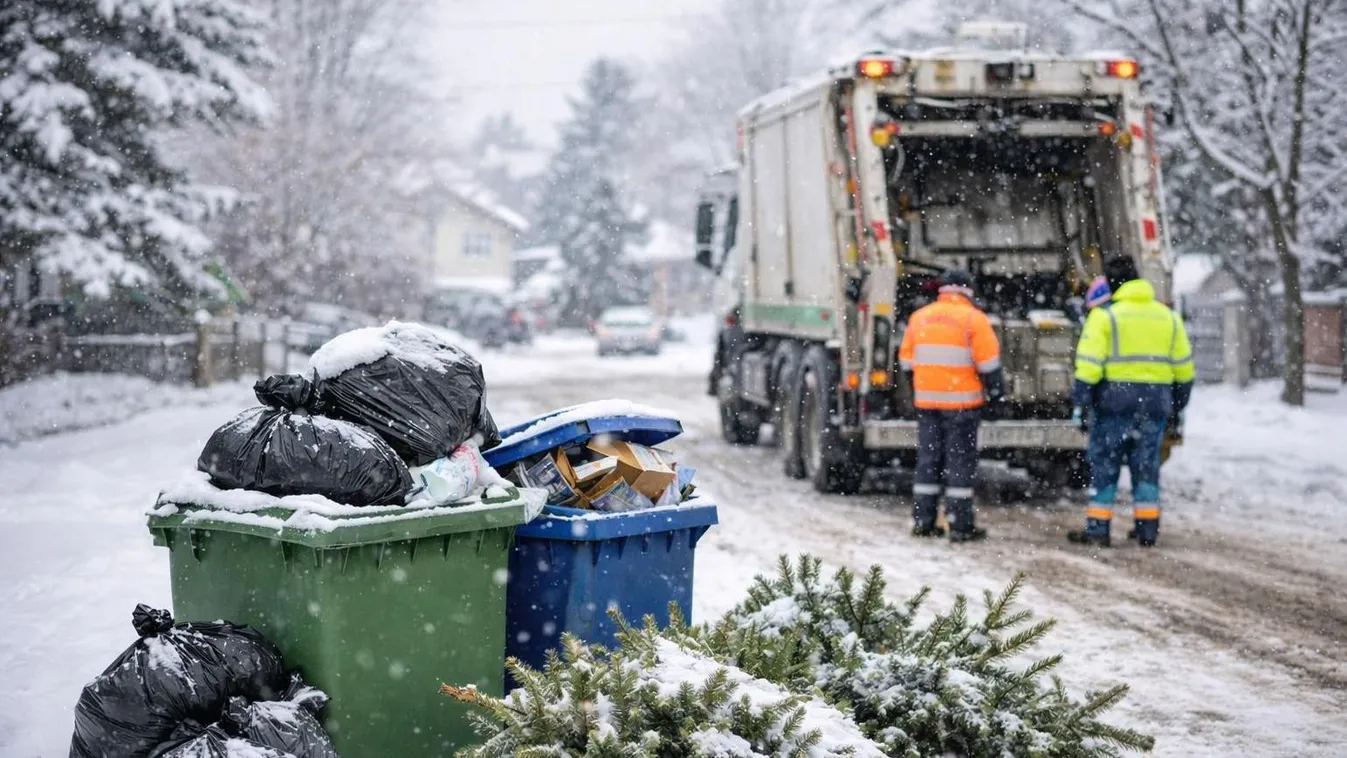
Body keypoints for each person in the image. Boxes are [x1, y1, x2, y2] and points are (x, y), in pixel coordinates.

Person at [1068, 255, 1195, 548]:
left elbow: (1088, 366)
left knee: (1104, 466)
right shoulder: (1168, 317)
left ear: (1112, 285)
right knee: (1146, 467)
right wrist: (1177, 407)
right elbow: (1185, 371)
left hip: (1113, 405)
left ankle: (1098, 530)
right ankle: (1147, 531)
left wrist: (1081, 404)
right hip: (1154, 406)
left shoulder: (1104, 317)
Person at [898, 269, 1005, 543]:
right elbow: (989, 365)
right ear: (967, 290)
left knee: (928, 461)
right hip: (962, 405)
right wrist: (996, 396)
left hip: (927, 403)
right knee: (959, 462)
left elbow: (906, 364)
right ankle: (959, 524)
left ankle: (923, 521)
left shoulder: (918, 318)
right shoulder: (974, 320)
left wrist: (920, 388)